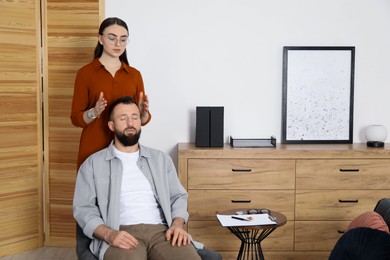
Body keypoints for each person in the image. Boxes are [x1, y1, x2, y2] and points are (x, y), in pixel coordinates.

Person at [73, 96, 202, 260]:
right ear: (111, 126)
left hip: (163, 232)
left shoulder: (161, 159)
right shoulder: (92, 164)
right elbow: (83, 208)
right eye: (123, 118)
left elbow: (178, 196)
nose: (130, 123)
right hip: (120, 232)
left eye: (134, 117)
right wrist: (109, 234)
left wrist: (177, 225)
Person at [70, 17, 151, 170]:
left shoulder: (135, 75)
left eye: (123, 39)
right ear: (100, 39)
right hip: (93, 147)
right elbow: (76, 119)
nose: (118, 44)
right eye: (112, 38)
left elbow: (143, 120)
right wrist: (93, 112)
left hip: (126, 148)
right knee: (93, 192)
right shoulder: (85, 74)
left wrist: (143, 114)